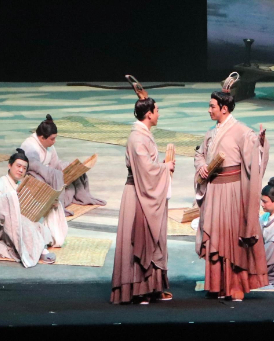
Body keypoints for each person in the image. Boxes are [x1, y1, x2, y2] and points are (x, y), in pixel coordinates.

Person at [194, 80, 270, 301]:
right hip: (214, 190)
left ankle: (234, 287)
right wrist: (202, 165)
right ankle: (217, 286)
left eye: (212, 106)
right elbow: (199, 153)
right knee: (215, 236)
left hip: (233, 190)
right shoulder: (210, 132)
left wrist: (261, 143)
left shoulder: (242, 131)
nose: (209, 110)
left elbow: (254, 156)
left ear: (224, 109)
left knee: (231, 238)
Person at [111, 96, 174, 304]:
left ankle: (152, 287)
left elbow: (147, 166)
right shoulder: (137, 138)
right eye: (157, 110)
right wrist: (165, 167)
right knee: (140, 236)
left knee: (152, 237)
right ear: (149, 114)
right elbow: (145, 169)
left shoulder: (143, 134)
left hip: (143, 190)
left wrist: (161, 167)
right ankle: (138, 289)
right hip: (138, 193)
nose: (159, 114)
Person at [20, 114, 107, 241]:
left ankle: (78, 196)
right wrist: (55, 175)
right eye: (52, 139)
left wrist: (69, 168)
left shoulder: (48, 145)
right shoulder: (30, 147)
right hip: (34, 180)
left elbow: (55, 163)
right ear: (42, 138)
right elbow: (35, 169)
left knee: (70, 184)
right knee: (61, 186)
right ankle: (56, 204)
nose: (54, 141)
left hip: (48, 175)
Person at [0, 149, 55, 267]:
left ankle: (39, 247)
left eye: (24, 168)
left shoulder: (20, 185)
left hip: (13, 223)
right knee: (24, 223)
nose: (21, 170)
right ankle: (39, 250)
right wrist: (9, 199)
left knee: (37, 226)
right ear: (9, 165)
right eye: (18, 166)